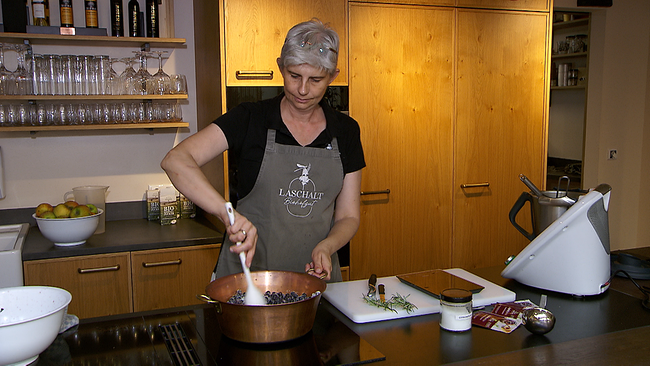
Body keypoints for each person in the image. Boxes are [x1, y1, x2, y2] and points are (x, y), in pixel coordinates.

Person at [161, 19, 365, 282]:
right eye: (294, 76)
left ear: (333, 76)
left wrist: (328, 246)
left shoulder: (346, 131)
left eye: (316, 79)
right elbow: (175, 160)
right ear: (281, 67)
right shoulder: (249, 119)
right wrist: (227, 214)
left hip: (317, 281)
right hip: (248, 281)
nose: (303, 90)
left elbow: (348, 215)